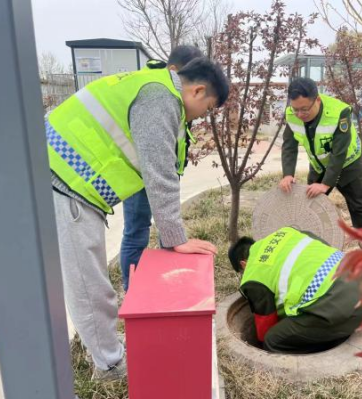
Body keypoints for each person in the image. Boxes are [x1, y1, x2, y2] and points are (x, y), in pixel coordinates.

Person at [47, 57, 229, 381]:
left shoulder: (150, 87)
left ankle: (104, 353)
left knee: (83, 277)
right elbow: (160, 175)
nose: (203, 116)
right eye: (209, 107)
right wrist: (177, 238)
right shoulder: (161, 99)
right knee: (89, 285)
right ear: (198, 90)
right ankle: (110, 366)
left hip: (63, 179)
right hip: (65, 182)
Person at [120, 45, 204, 292]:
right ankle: (133, 292)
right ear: (174, 70)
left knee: (165, 234)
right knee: (136, 232)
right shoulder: (158, 93)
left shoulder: (171, 95)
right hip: (139, 177)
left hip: (157, 174)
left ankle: (161, 288)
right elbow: (154, 160)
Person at [228, 227, 362, 354]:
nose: (244, 276)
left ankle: (323, 350)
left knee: (272, 340)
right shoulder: (287, 232)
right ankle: (335, 332)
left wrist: (261, 345)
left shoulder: (254, 272)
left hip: (339, 306)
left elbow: (265, 322)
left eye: (241, 272)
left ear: (243, 264)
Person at [279, 77, 362, 229]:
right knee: (309, 205)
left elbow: (339, 153)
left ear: (317, 100)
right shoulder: (291, 115)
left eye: (304, 109)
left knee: (359, 207)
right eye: (295, 109)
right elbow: (289, 146)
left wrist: (325, 184)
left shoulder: (339, 112)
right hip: (320, 165)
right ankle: (312, 243)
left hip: (349, 163)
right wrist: (287, 174)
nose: (299, 114)